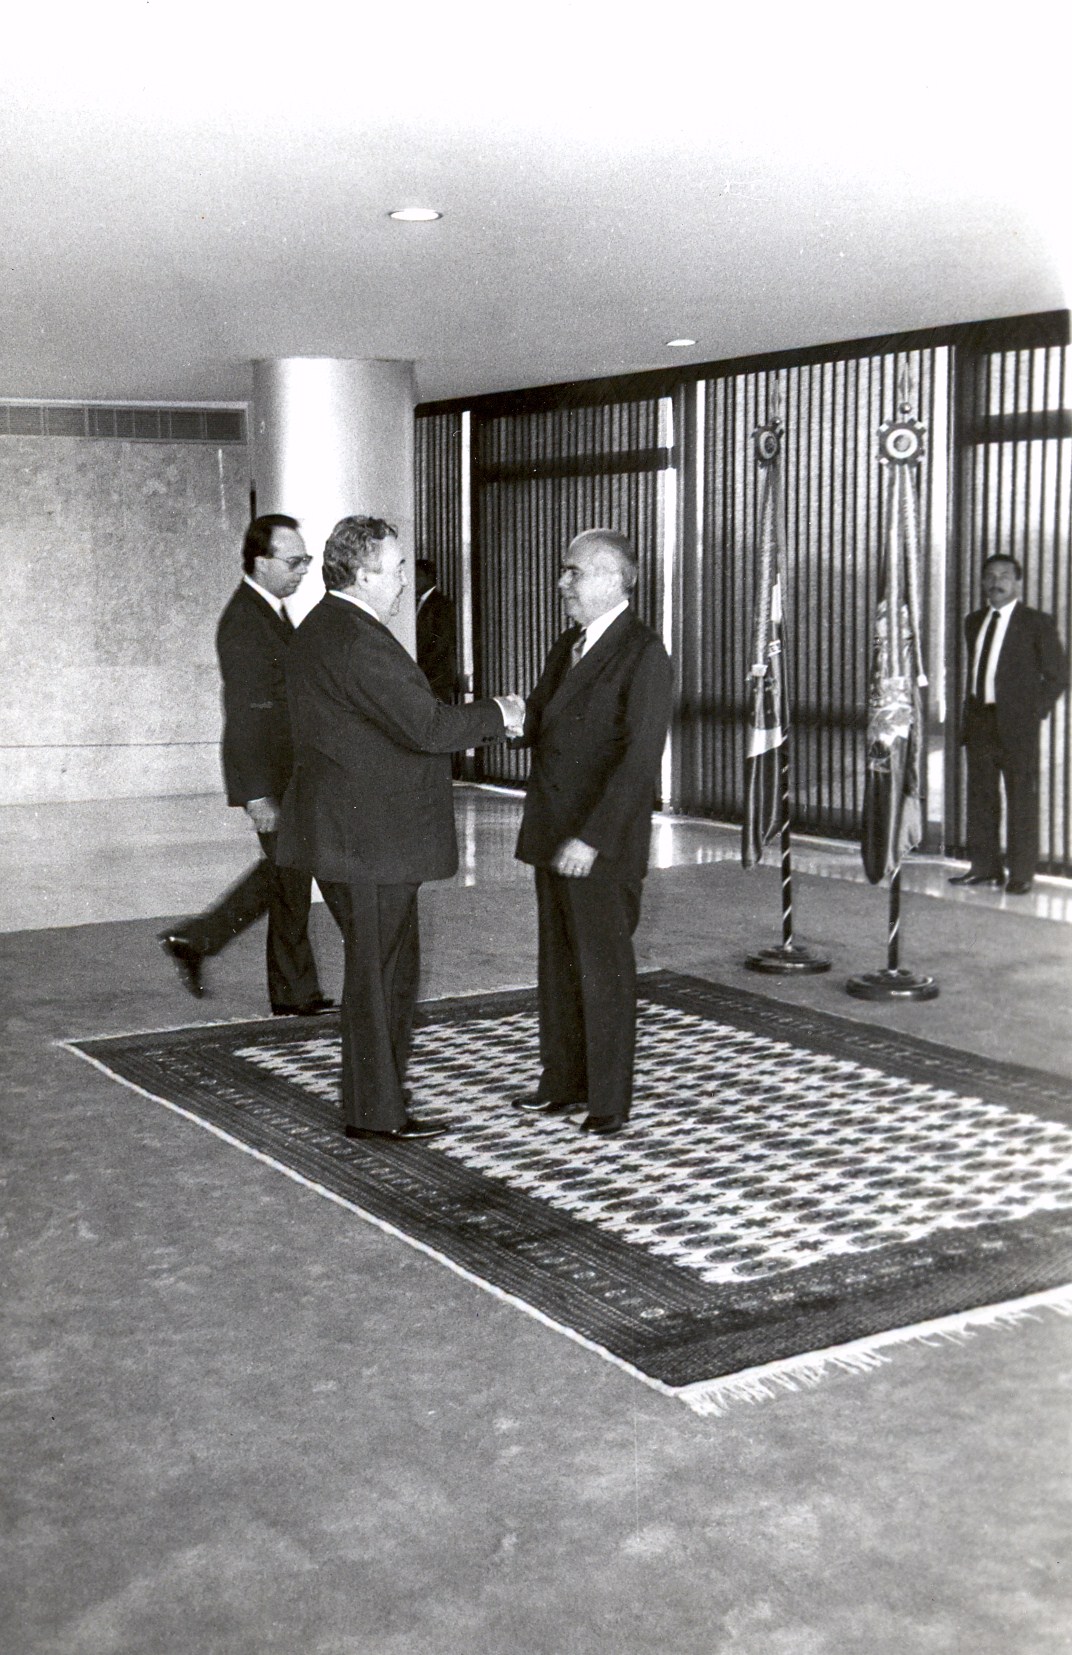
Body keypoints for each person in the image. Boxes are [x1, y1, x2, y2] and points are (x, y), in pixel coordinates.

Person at [277, 515, 524, 1140]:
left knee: (383, 971)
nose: (404, 582)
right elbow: (428, 728)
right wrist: (500, 712)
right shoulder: (358, 639)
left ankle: (376, 1101)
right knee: (380, 977)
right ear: (363, 576)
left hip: (345, 834)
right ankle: (375, 1112)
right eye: (395, 570)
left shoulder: (320, 627)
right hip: (371, 841)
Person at [514, 529, 673, 1136]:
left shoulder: (644, 653)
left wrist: (593, 839)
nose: (562, 583)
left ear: (614, 579)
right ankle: (561, 1082)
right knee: (558, 964)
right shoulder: (569, 644)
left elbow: (639, 761)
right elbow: (541, 715)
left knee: (604, 971)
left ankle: (607, 1100)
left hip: (597, 844)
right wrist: (504, 719)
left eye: (573, 572)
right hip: (552, 832)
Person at [158, 515, 333, 1015]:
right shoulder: (244, 621)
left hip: (285, 774)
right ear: (261, 562)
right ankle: (204, 943)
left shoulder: (268, 612)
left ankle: (214, 949)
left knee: (288, 876)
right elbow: (246, 714)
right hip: (270, 779)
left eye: (305, 560)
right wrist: (257, 794)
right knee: (288, 874)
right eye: (294, 561)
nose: (303, 570)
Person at [950, 553, 1067, 895]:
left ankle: (1021, 874)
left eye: (1004, 575)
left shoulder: (1036, 622)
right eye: (989, 575)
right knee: (981, 798)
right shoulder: (973, 621)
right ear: (982, 582)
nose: (995, 582)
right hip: (980, 722)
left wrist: (1033, 712)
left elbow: (1058, 675)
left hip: (1017, 726)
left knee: (1021, 799)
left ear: (1018, 582)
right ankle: (984, 868)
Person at [414, 557, 459, 703]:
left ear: (429, 577)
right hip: (428, 676)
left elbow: (441, 643)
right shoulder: (418, 602)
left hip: (437, 677)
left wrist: (420, 668)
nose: (414, 580)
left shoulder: (441, 604)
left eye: (418, 575)